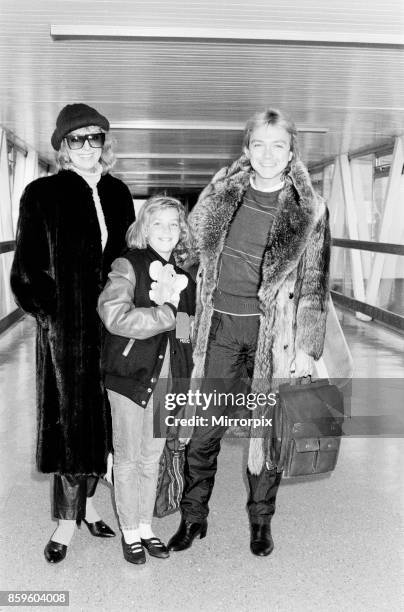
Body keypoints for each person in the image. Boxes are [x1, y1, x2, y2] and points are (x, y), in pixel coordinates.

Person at [168, 108, 331, 556]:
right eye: (258, 144)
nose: (267, 154)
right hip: (218, 329)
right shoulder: (221, 194)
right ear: (247, 149)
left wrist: (307, 346)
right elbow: (185, 258)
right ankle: (193, 518)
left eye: (278, 145)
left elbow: (315, 284)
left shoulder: (310, 211)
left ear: (291, 151)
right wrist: (178, 321)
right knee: (202, 433)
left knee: (266, 435)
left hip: (270, 338)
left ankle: (261, 523)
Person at [10, 103, 135, 563]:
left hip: (114, 323)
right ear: (62, 146)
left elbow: (131, 255)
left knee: (108, 414)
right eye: (76, 139)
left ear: (105, 143)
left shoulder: (119, 193)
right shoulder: (42, 193)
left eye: (94, 138)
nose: (87, 147)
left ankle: (92, 504)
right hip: (67, 328)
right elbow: (25, 272)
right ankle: (66, 519)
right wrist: (53, 316)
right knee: (69, 419)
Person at [97, 196, 195, 565]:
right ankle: (129, 531)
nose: (167, 231)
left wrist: (186, 371)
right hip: (129, 376)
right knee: (126, 458)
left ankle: (145, 526)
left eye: (174, 224)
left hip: (168, 378)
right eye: (158, 223)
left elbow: (184, 327)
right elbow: (114, 316)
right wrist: (163, 316)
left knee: (151, 457)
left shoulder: (184, 272)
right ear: (144, 227)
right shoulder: (128, 264)